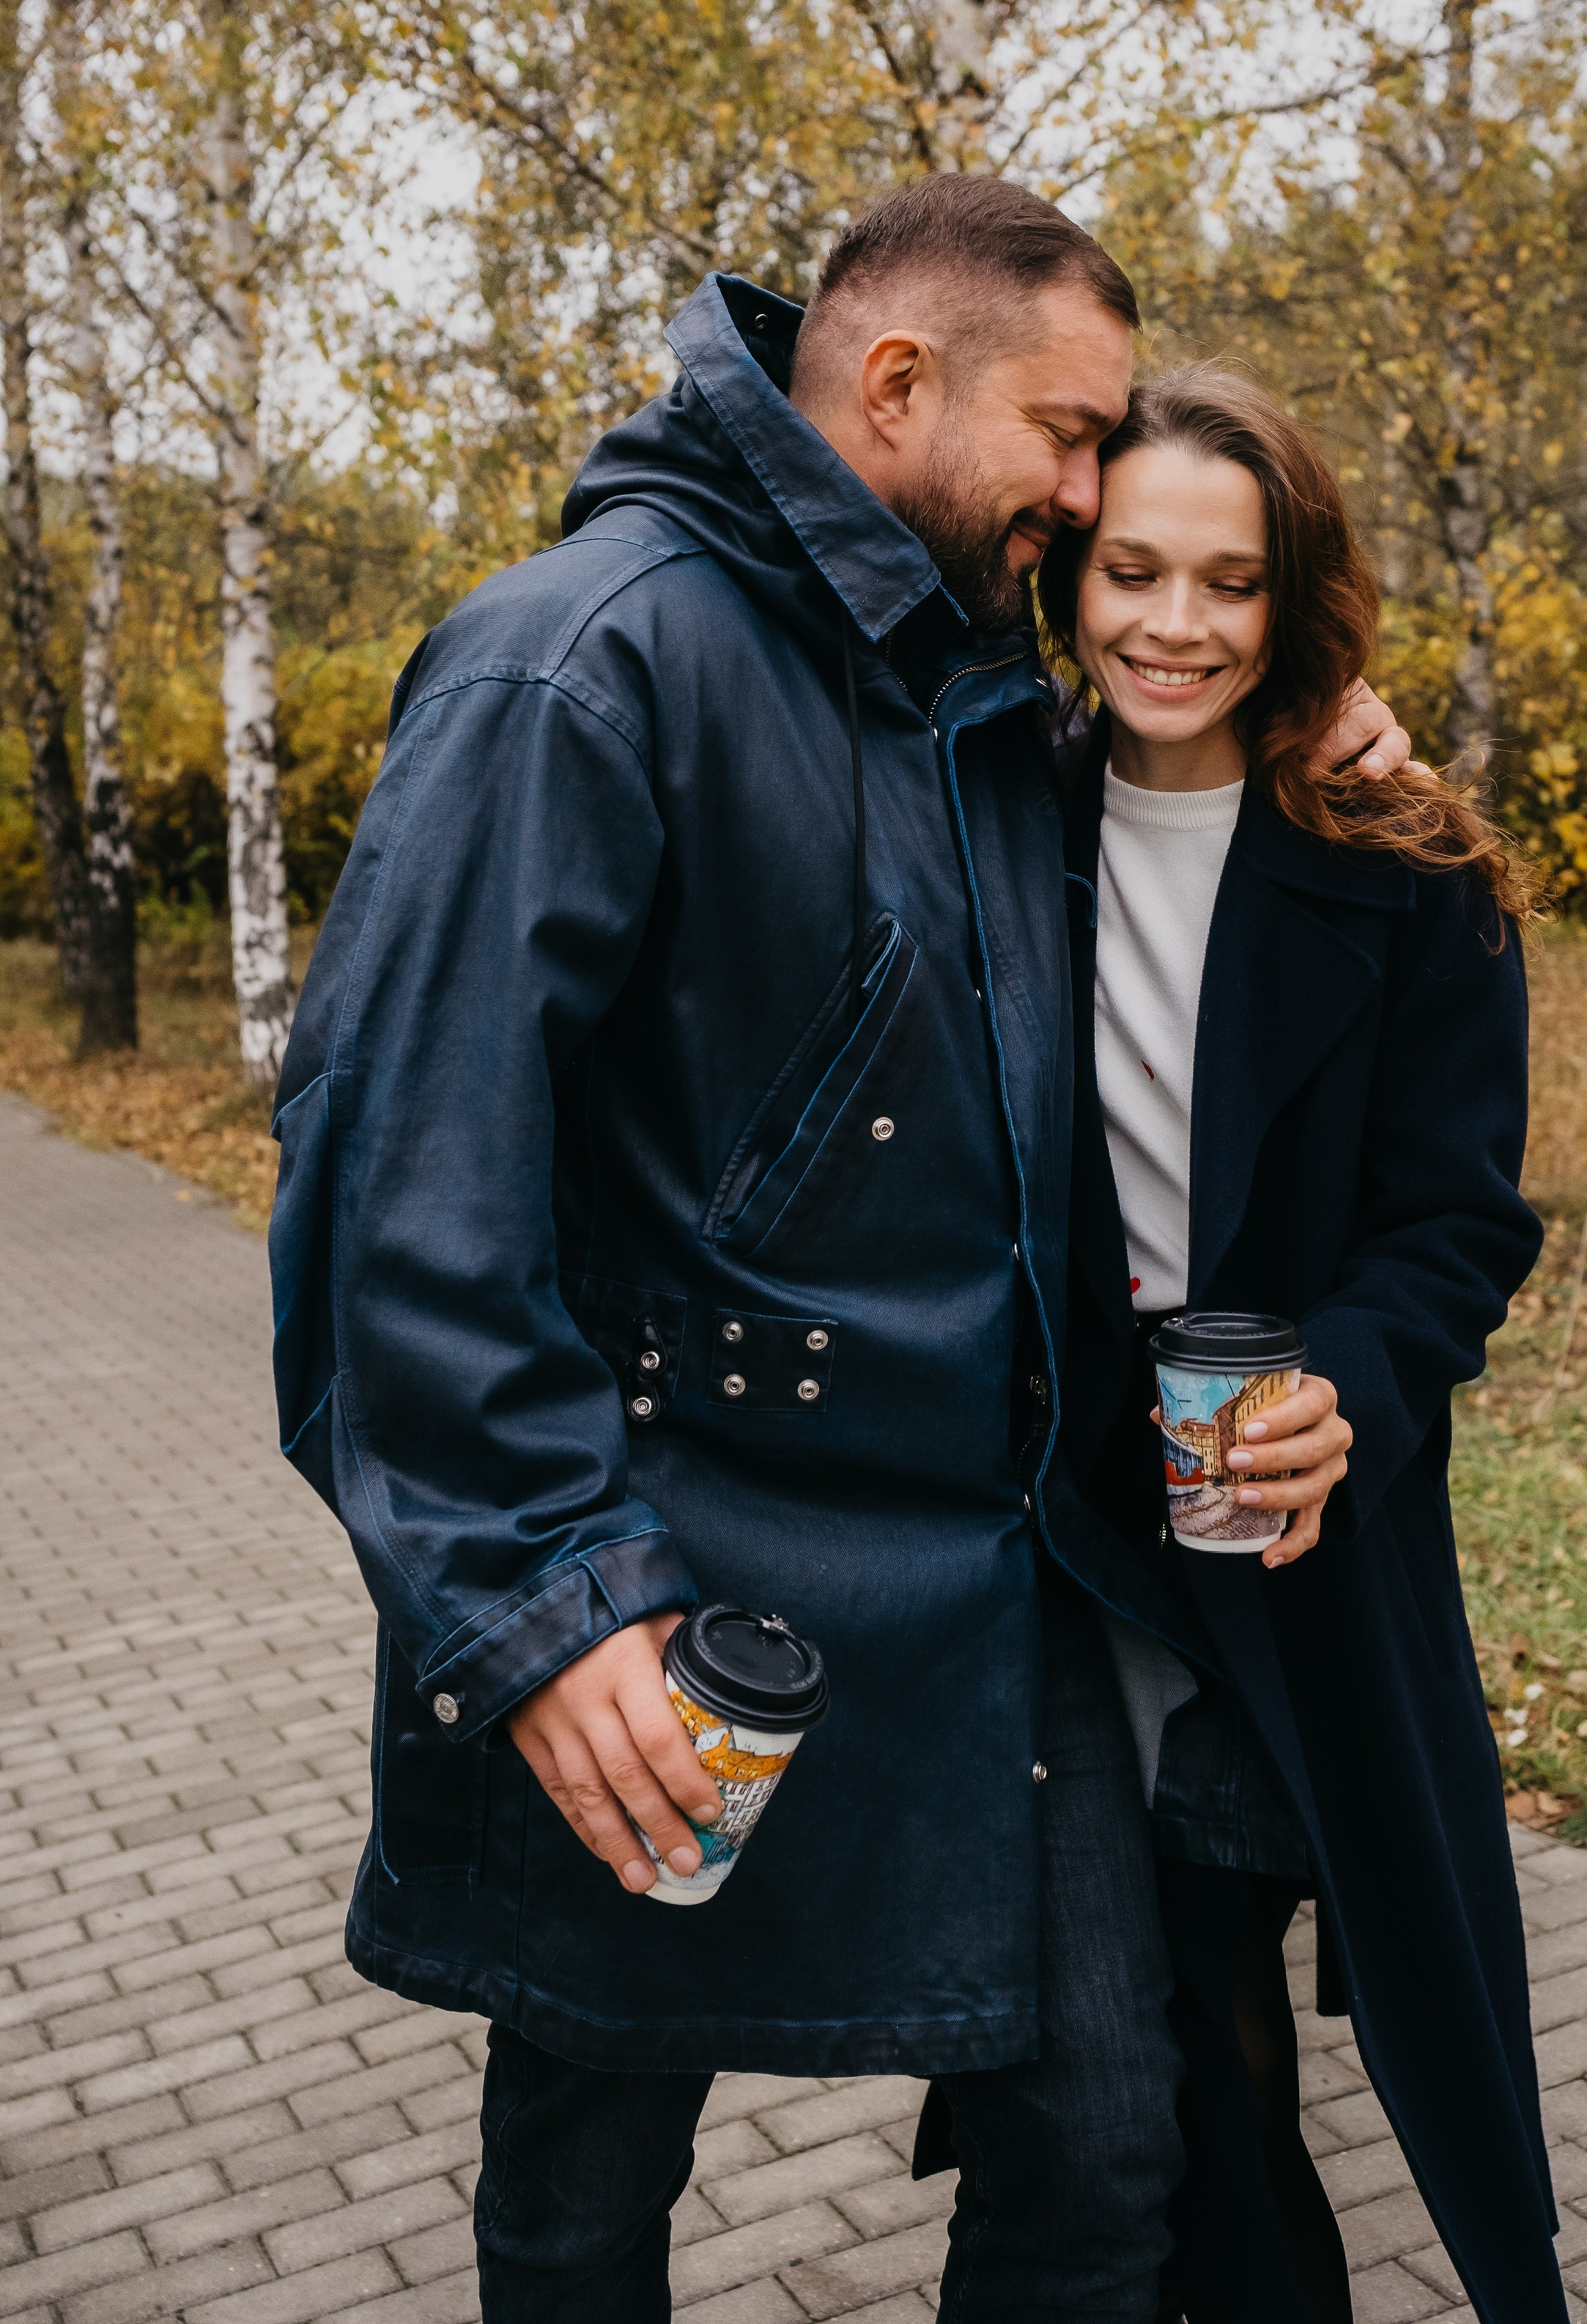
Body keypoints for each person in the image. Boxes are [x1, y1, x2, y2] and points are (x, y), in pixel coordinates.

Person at [266, 180, 1410, 2322]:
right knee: (585, 2197)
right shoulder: (579, 660)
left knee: (1105, 2159)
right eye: (1069, 439)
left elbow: (1152, 857)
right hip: (659, 1595)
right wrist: (542, 1604)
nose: (1087, 495)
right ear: (896, 384)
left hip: (988, 1595)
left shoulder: (967, 688)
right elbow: (399, 1187)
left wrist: (1302, 747)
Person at [1032, 366, 1566, 2324]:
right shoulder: (992, 814)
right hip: (1062, 1544)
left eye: (1230, 584)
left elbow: (1459, 1218)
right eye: (1135, 572)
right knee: (1139, 2060)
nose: (1176, 626)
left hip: (1293, 1539)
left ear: (1295, 599)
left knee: (1224, 2024)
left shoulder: (1398, 859)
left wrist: (1351, 1377)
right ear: (1068, 576)